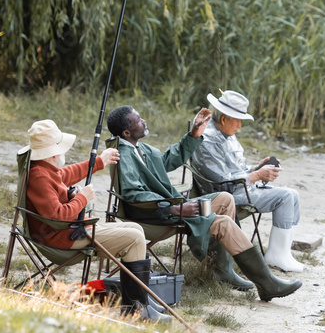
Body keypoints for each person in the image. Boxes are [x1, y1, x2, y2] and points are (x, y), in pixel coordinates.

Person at [106, 105, 302, 301]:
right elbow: (133, 195)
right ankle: (267, 284)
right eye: (138, 120)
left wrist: (194, 134)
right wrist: (176, 208)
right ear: (126, 132)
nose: (143, 121)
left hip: (167, 208)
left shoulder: (140, 148)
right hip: (153, 215)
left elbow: (167, 160)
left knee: (225, 198)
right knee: (223, 223)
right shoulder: (123, 154)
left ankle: (222, 270)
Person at [23, 119, 170, 323]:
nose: (64, 153)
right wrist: (82, 197)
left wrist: (100, 161)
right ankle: (137, 310)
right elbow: (57, 215)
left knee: (135, 228)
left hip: (70, 229)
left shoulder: (44, 168)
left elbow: (65, 175)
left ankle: (139, 300)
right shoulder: (40, 176)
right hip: (63, 236)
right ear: (53, 153)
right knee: (135, 238)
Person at [191, 90, 305, 272]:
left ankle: (283, 253)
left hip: (240, 188)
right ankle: (276, 257)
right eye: (237, 120)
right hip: (223, 197)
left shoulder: (227, 135)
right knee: (285, 197)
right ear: (224, 119)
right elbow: (220, 178)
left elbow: (236, 169)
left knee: (294, 194)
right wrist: (258, 176)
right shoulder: (209, 139)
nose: (240, 126)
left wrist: (256, 169)